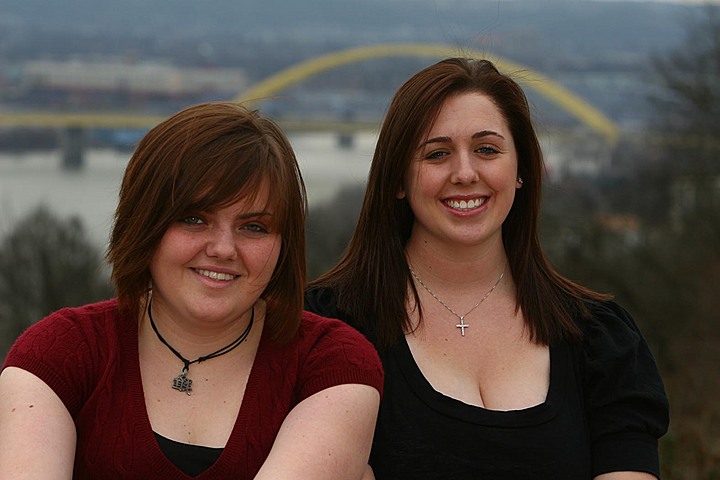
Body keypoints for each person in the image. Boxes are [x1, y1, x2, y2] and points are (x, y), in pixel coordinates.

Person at [305, 58, 669, 480]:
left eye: (487, 150)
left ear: (520, 172)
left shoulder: (602, 341)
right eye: (437, 153)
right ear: (398, 180)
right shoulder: (325, 329)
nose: (465, 173)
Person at [0, 101, 383, 479]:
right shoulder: (60, 354)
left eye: (254, 227)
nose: (222, 249)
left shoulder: (332, 364)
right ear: (144, 225)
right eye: (194, 219)